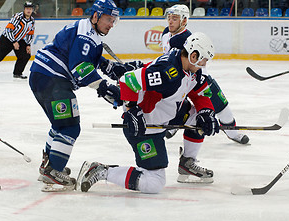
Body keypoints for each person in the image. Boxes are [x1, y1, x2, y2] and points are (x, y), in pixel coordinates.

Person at [77, 32, 220, 194]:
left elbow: (200, 92)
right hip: (144, 125)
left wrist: (207, 112)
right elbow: (127, 80)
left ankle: (187, 162)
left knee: (198, 117)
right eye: (204, 59)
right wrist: (131, 110)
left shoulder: (191, 69)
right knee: (154, 182)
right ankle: (101, 170)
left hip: (167, 111)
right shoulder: (167, 73)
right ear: (194, 56)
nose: (205, 63)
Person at [29, 0, 126, 192]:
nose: (111, 24)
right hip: (54, 79)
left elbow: (87, 57)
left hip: (42, 75)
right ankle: (53, 170)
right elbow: (79, 67)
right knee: (70, 126)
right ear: (96, 16)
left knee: (59, 125)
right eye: (108, 19)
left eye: (114, 20)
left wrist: (109, 68)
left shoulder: (87, 30)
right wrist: (104, 86)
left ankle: (49, 164)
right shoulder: (86, 36)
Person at [161, 4, 249, 144]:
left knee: (222, 108)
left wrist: (201, 81)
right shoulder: (166, 33)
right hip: (179, 79)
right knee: (174, 102)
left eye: (175, 18)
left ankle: (233, 132)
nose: (170, 21)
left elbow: (200, 64)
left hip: (198, 79)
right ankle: (174, 122)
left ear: (184, 21)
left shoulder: (189, 39)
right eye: (169, 18)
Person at [0, 1, 35, 80]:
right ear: (24, 9)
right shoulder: (17, 17)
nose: (29, 10)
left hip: (19, 40)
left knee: (25, 55)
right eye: (27, 8)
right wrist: (14, 41)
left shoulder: (32, 20)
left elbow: (30, 33)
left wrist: (28, 44)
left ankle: (17, 73)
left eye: (30, 9)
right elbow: (8, 30)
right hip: (7, 39)